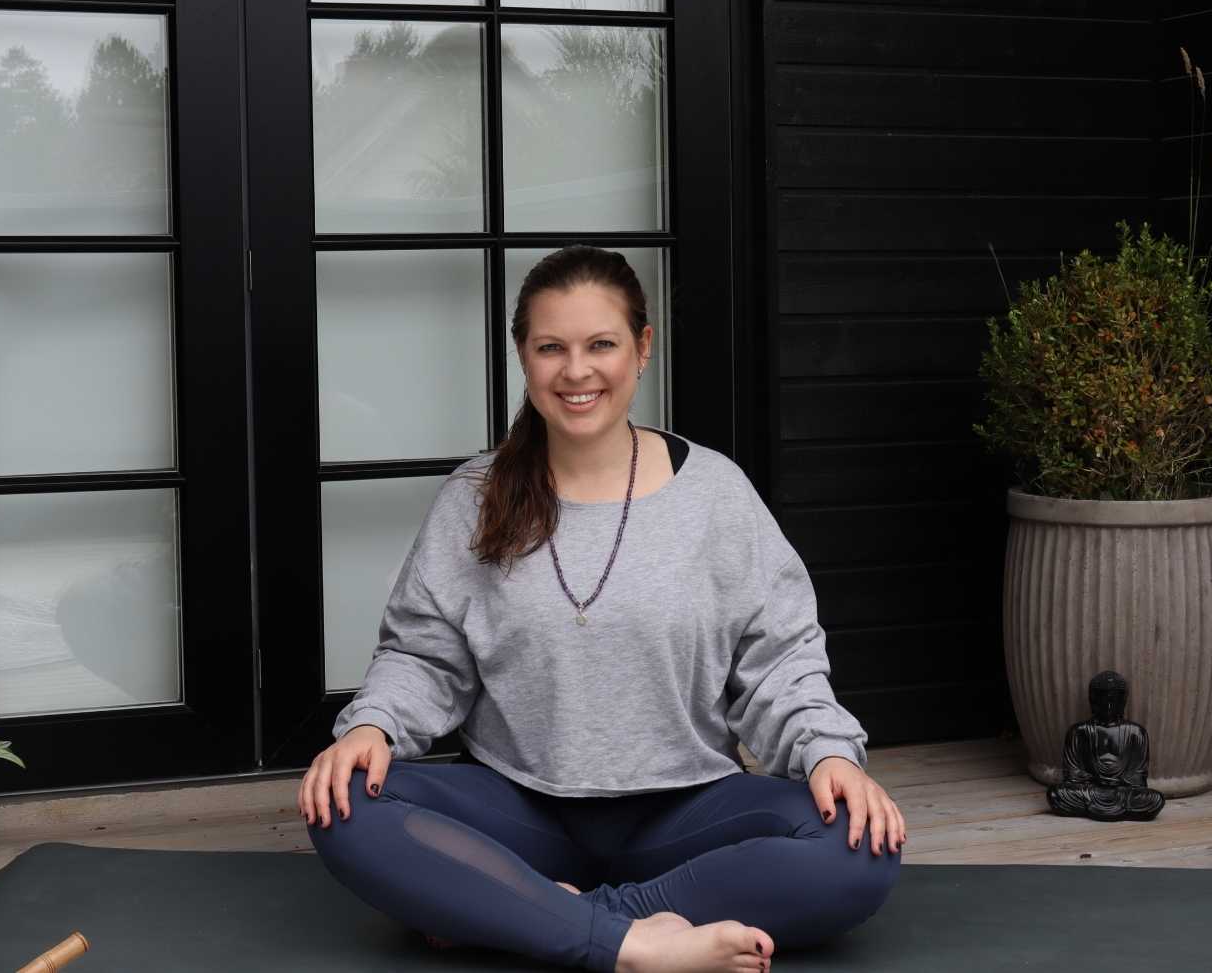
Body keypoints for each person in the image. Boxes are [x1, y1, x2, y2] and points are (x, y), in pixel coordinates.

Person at [300, 246, 902, 973]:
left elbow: (781, 658)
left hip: (684, 812)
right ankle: (636, 942)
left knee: (860, 847)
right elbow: (423, 653)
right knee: (344, 804)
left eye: (601, 345)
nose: (576, 370)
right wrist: (372, 726)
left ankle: (528, 912)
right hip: (516, 810)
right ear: (523, 355)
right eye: (551, 347)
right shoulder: (473, 495)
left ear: (642, 349)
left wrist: (828, 752)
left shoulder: (715, 494)